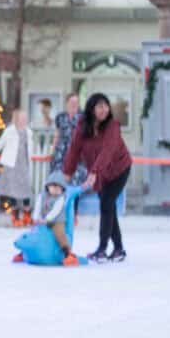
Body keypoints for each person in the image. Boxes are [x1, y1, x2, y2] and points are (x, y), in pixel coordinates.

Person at [62, 93, 132, 263]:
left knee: (106, 203)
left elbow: (108, 150)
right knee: (109, 207)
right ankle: (119, 248)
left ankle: (102, 249)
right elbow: (74, 150)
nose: (104, 109)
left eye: (106, 106)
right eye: (100, 106)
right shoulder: (82, 126)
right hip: (100, 172)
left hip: (118, 169)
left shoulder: (112, 126)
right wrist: (66, 174)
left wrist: (94, 173)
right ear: (91, 109)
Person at [20, 172, 78, 266]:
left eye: (58, 187)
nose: (55, 189)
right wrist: (36, 218)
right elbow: (38, 207)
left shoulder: (61, 198)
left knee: (59, 233)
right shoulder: (42, 196)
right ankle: (24, 252)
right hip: (42, 220)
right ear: (48, 187)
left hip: (57, 220)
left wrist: (47, 219)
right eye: (53, 187)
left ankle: (67, 252)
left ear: (62, 189)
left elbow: (56, 210)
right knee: (33, 233)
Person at [0, 109, 34, 226]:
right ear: (17, 119)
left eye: (25, 118)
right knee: (13, 191)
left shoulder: (28, 132)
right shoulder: (9, 131)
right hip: (12, 164)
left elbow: (30, 148)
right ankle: (15, 215)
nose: (24, 121)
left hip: (24, 164)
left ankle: (27, 214)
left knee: (25, 190)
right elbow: (0, 143)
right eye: (22, 118)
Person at [50, 93, 86, 184]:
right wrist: (52, 149)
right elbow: (57, 133)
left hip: (77, 152)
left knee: (76, 177)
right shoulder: (60, 117)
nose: (74, 104)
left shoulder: (84, 117)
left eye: (76, 102)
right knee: (58, 178)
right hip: (60, 152)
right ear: (67, 103)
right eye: (72, 102)